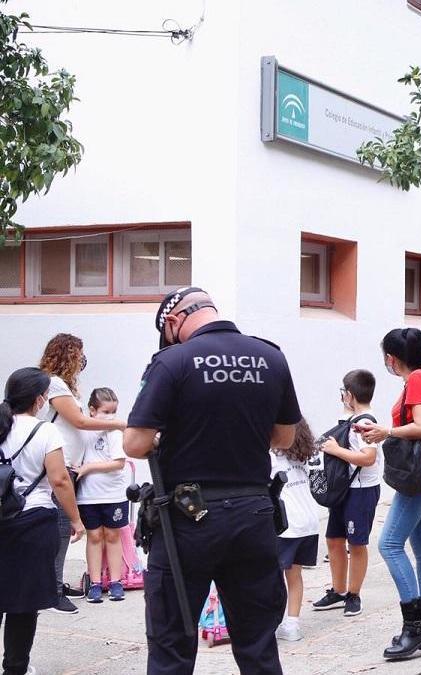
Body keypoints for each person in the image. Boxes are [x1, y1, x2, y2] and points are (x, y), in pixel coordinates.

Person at [123, 287, 302, 674]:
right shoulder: (271, 356)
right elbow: (285, 438)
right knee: (258, 645)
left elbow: (135, 443)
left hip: (187, 521)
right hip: (253, 513)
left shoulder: (172, 361)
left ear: (173, 322)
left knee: (172, 644)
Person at [357, 328, 421, 661]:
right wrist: (384, 431)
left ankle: (415, 627)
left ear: (392, 358)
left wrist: (386, 430)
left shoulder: (419, 379)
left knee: (389, 544)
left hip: (420, 475)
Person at [0, 367, 85, 675]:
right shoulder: (45, 431)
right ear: (38, 399)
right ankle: (15, 667)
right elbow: (60, 480)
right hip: (32, 523)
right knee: (23, 601)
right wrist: (76, 520)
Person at [37, 333, 125, 614]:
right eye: (79, 354)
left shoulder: (59, 385)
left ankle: (55, 582)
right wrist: (120, 424)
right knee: (63, 528)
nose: (82, 361)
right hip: (57, 465)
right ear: (69, 355)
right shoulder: (54, 383)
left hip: (68, 465)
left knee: (61, 529)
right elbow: (78, 420)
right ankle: (52, 589)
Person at [311, 369, 380, 618]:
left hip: (361, 491)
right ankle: (338, 591)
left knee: (357, 543)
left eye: (343, 393)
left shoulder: (365, 423)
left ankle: (354, 594)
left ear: (349, 395)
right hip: (345, 490)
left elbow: (368, 458)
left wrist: (335, 449)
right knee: (334, 539)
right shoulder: (352, 419)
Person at [77, 387, 128, 604]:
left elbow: (119, 463)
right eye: (106, 412)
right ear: (91, 410)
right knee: (94, 537)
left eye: (113, 412)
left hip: (113, 494)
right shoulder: (82, 430)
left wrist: (88, 468)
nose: (111, 417)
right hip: (88, 495)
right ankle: (95, 583)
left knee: (113, 536)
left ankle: (116, 582)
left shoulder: (115, 432)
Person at [272, 419, 321, 642]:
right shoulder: (304, 455)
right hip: (309, 521)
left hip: (286, 524)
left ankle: (272, 621)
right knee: (294, 575)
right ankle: (292, 623)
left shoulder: (272, 456)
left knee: (272, 575)